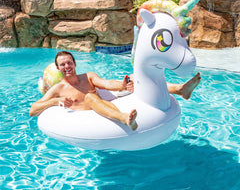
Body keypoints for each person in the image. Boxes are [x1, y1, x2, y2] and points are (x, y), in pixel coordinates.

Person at [30, 51, 201, 131]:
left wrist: (122, 85)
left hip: (105, 105)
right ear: (59, 69)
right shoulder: (58, 89)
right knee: (90, 97)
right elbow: (33, 110)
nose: (67, 66)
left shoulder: (87, 76)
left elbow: (105, 83)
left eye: (69, 62)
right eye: (63, 64)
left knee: (135, 77)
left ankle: (180, 89)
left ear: (75, 64)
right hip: (87, 121)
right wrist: (55, 101)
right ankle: (124, 118)